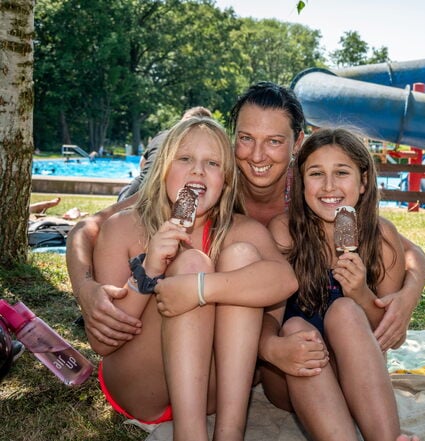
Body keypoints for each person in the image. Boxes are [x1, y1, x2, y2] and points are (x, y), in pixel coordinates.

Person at [66, 82, 425, 381]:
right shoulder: (210, 183)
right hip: (200, 334)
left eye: (274, 141)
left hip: (277, 339)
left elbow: (411, 253)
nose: (257, 155)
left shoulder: (312, 194)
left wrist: (408, 296)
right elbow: (87, 228)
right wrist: (85, 288)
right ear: (232, 137)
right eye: (246, 138)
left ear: (297, 143)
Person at [91, 115, 297, 441]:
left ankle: (230, 432)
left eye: (212, 163)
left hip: (211, 391)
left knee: (241, 260)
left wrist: (200, 289)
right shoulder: (123, 228)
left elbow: (285, 280)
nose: (198, 170)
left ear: (226, 181)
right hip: (140, 383)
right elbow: (102, 342)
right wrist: (151, 269)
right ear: (163, 171)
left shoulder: (240, 230)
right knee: (192, 264)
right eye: (185, 159)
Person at [259, 127, 418, 441]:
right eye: (316, 173)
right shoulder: (284, 232)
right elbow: (266, 319)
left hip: (356, 381)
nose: (329, 186)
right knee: (295, 330)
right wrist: (276, 348)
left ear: (362, 182)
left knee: (345, 309)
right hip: (292, 375)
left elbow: (388, 337)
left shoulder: (382, 237)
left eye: (341, 173)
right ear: (302, 183)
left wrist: (360, 293)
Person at [117, 106, 213, 202]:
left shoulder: (161, 135)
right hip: (151, 200)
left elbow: (142, 163)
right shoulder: (195, 145)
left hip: (132, 191)